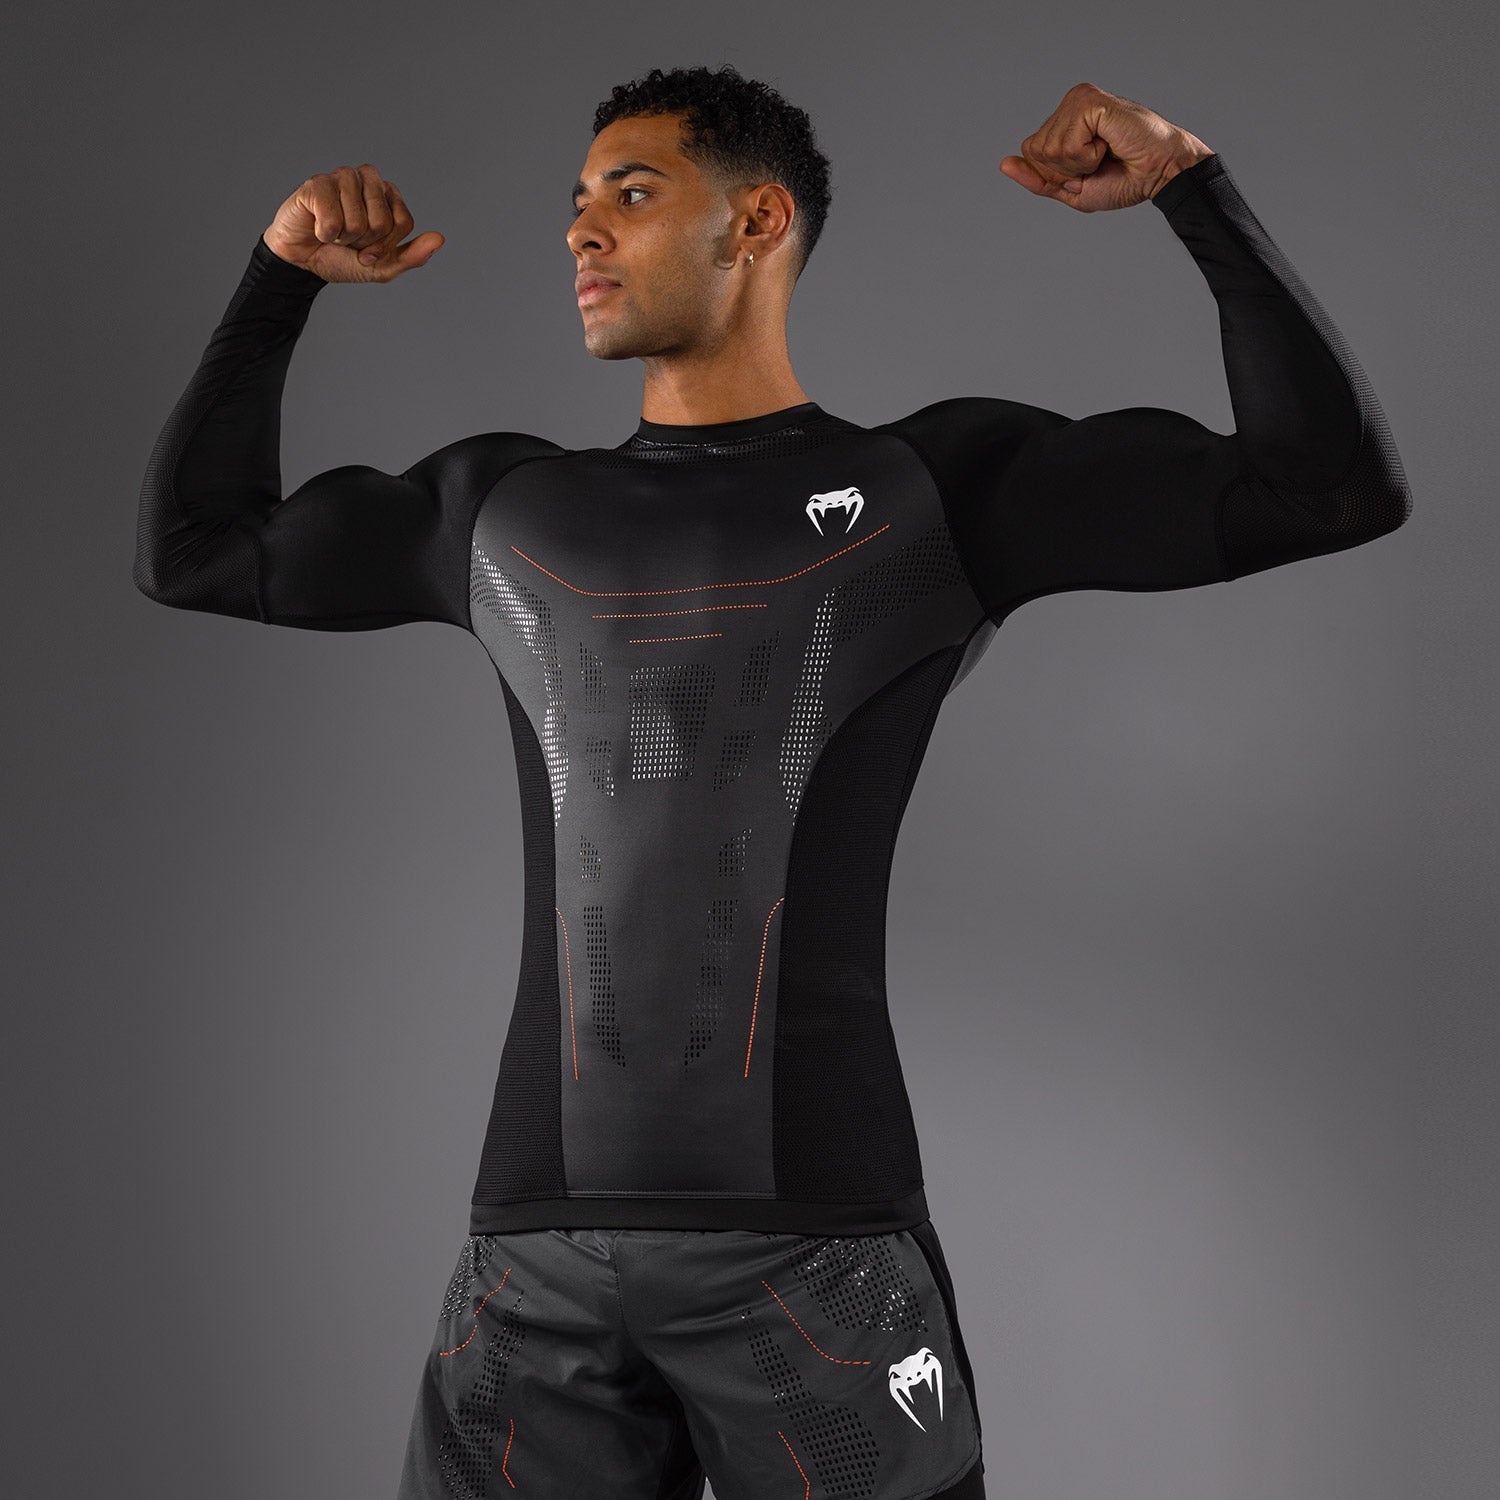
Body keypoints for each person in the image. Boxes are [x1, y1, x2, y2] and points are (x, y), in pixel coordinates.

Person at [134, 63, 1411, 1500]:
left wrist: (1191, 189)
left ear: (755, 224)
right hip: (537, 1264)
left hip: (814, 1255)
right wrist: (278, 282)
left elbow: (1328, 488)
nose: (582, 231)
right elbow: (195, 551)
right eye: (576, 202)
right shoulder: (504, 509)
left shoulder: (935, 490)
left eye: (631, 194)